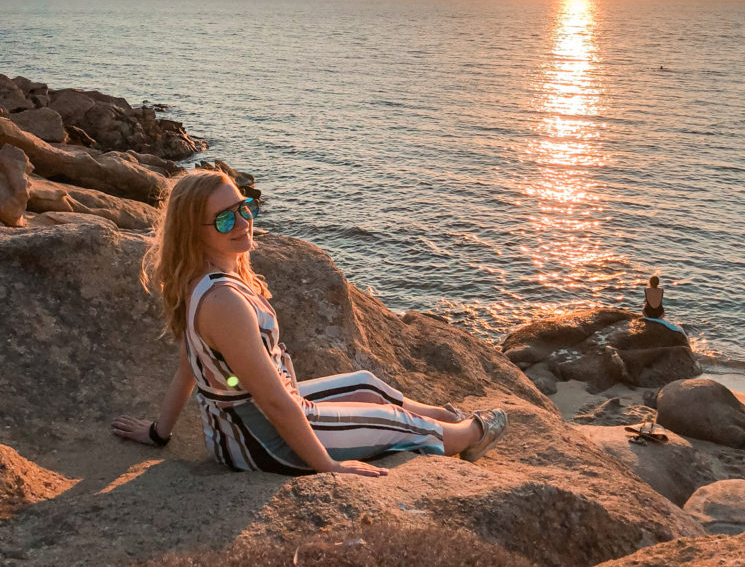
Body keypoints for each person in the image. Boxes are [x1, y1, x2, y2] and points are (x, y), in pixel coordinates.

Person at [111, 170, 507, 477]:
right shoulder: (223, 302)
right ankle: (469, 433)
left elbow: (189, 364)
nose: (243, 222)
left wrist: (158, 433)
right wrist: (327, 467)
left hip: (248, 425)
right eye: (225, 220)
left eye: (244, 207)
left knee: (367, 385)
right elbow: (273, 402)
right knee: (404, 427)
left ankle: (444, 414)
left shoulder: (206, 280)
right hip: (262, 442)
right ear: (192, 233)